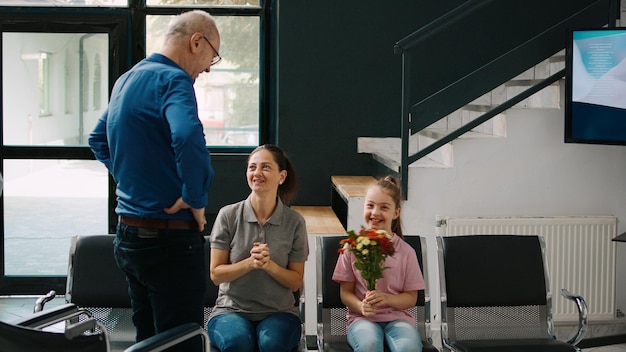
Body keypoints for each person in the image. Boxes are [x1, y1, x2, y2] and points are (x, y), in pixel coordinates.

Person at [88, 10, 219, 351]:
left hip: (128, 238)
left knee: (147, 342)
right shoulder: (174, 81)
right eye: (212, 57)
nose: (207, 68)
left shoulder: (128, 79)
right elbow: (188, 136)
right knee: (182, 341)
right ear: (196, 41)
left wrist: (133, 181)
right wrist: (194, 197)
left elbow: (97, 138)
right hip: (169, 242)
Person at [207, 144, 308, 352]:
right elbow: (216, 274)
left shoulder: (295, 221)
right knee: (238, 343)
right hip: (230, 311)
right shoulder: (228, 215)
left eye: (265, 167)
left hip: (280, 312)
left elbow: (296, 281)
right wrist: (250, 263)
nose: (257, 173)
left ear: (282, 176)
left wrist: (268, 265)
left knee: (272, 344)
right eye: (252, 167)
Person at [332, 176, 426, 352]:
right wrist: (361, 306)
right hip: (362, 319)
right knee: (369, 345)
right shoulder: (352, 247)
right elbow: (345, 293)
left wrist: (387, 299)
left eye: (384, 207)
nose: (375, 212)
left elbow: (411, 298)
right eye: (370, 205)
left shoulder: (406, 252)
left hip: (399, 319)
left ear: (396, 213)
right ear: (363, 208)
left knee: (409, 347)